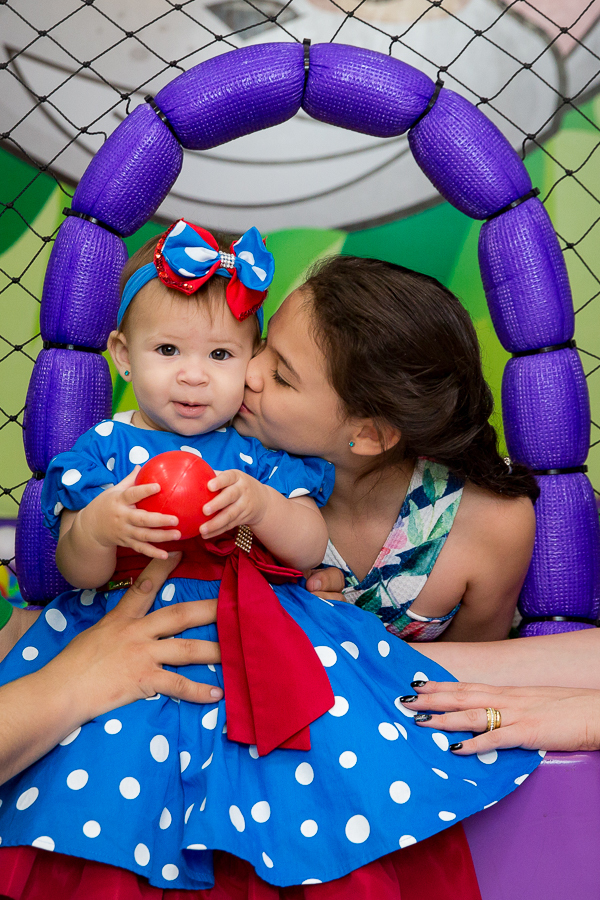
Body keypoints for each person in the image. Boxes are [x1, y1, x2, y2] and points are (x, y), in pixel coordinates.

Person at [0, 238, 541, 899]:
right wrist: (99, 528)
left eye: (273, 370)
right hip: (169, 692)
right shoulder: (177, 441)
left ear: (368, 433)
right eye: (258, 350)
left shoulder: (289, 476)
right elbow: (79, 564)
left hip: (330, 740)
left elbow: (460, 673)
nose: (241, 375)